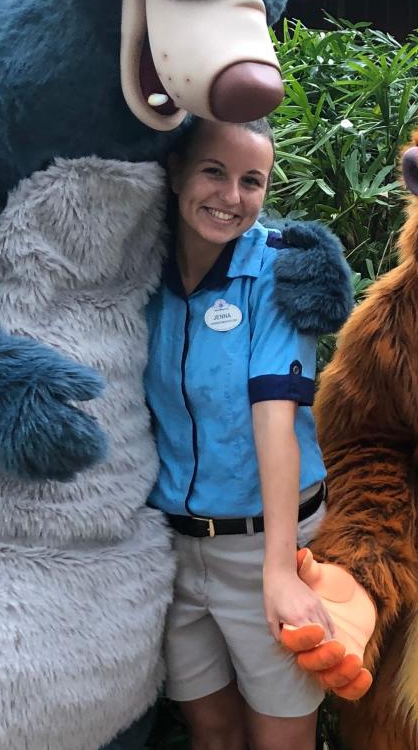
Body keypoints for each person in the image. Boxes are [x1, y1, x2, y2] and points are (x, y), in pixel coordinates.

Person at [145, 117, 334, 750]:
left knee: (280, 738)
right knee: (213, 731)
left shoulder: (280, 273)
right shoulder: (139, 276)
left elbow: (274, 418)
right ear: (175, 174)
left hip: (265, 542)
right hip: (173, 547)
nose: (231, 196)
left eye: (251, 181)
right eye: (213, 172)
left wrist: (278, 571)